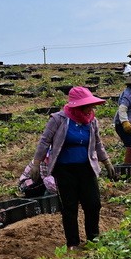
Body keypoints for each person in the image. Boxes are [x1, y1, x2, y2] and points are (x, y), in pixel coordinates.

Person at [31, 87, 117, 248]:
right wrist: (36, 163)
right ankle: (73, 243)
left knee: (93, 204)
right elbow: (44, 141)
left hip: (86, 168)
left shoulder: (92, 121)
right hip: (64, 170)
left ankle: (93, 238)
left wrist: (107, 162)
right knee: (69, 207)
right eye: (87, 105)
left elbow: (98, 143)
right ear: (76, 106)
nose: (90, 108)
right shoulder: (58, 120)